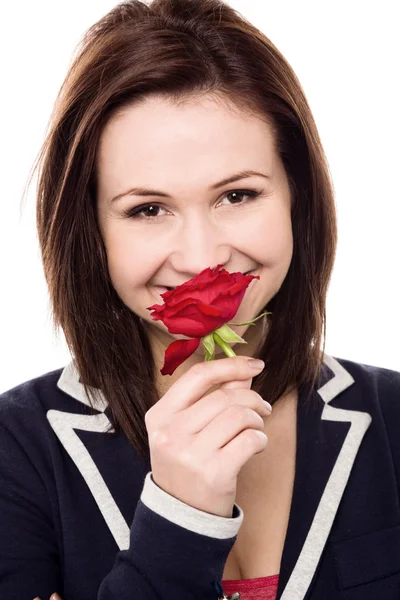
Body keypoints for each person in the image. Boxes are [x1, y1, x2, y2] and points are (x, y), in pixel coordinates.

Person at [1, 0, 399, 599]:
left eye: (237, 196)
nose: (202, 257)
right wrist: (180, 518)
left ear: (297, 197)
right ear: (92, 232)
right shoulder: (16, 450)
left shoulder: (392, 418)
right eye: (147, 209)